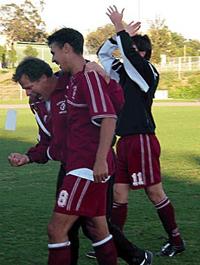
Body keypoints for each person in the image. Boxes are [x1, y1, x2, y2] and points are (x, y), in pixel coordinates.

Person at [97, 5, 186, 257]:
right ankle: (115, 243)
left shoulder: (147, 71)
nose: (125, 54)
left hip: (142, 140)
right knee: (119, 193)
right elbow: (103, 54)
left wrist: (119, 27)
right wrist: (118, 34)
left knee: (154, 191)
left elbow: (128, 56)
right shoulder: (123, 72)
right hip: (124, 141)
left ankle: (176, 240)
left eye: (132, 50)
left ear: (143, 53)